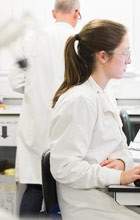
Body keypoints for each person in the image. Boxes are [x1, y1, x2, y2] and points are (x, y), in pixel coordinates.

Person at [49, 19, 140, 220]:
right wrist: (119, 176)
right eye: (125, 53)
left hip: (108, 196)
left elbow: (121, 148)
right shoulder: (80, 99)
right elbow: (64, 168)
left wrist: (122, 163)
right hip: (88, 205)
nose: (129, 60)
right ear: (103, 56)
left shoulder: (103, 93)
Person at [8, 0, 80, 217]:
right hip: (69, 126)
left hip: (36, 125)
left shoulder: (31, 38)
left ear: (53, 13)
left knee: (35, 186)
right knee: (68, 191)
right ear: (77, 13)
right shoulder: (79, 42)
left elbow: (15, 81)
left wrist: (35, 91)